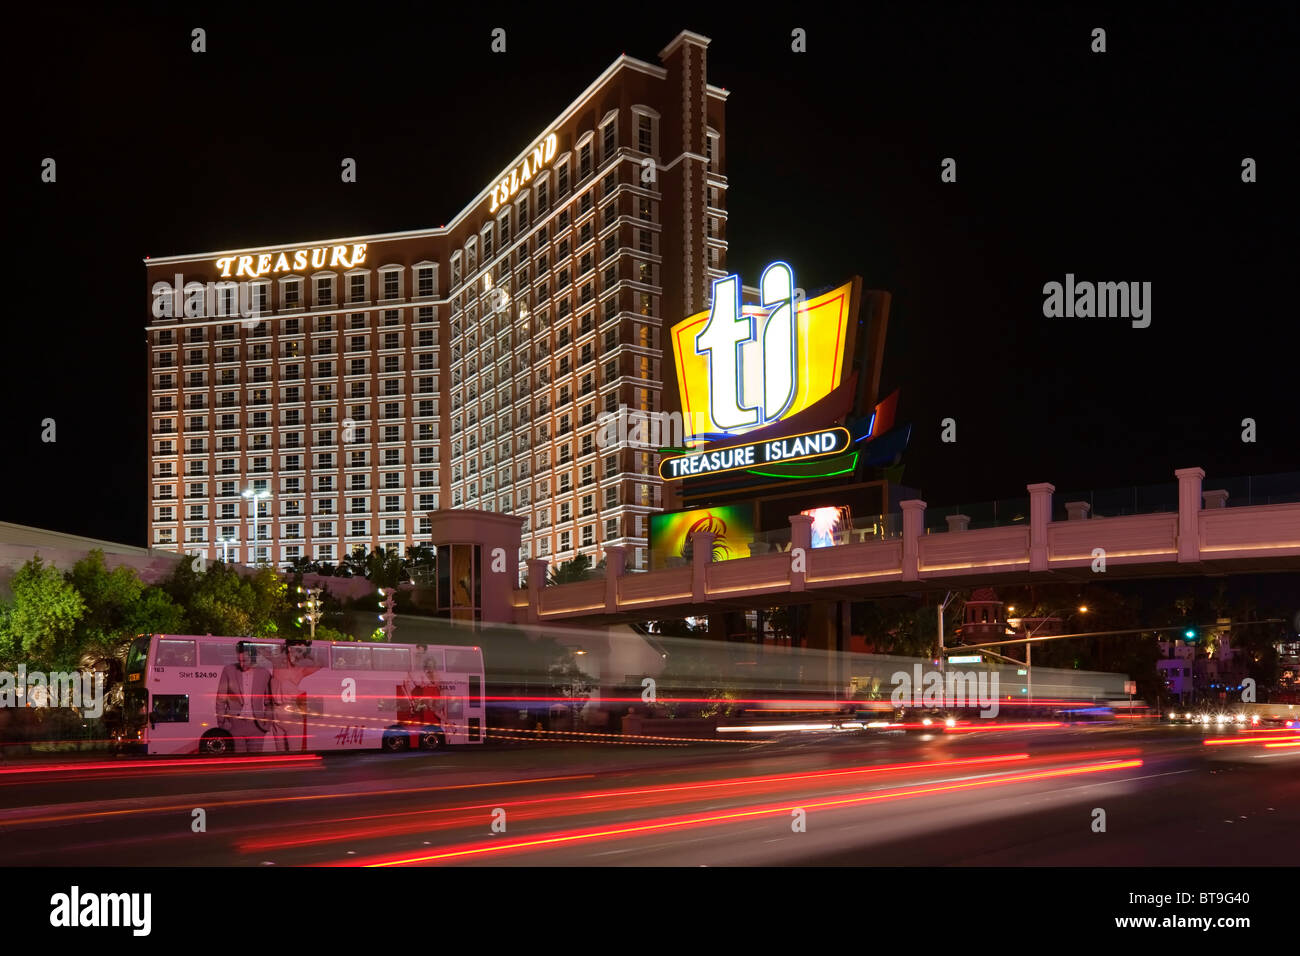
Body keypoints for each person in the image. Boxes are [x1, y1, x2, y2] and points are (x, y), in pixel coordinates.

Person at [216, 642, 272, 752]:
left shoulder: (264, 673)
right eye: (239, 661)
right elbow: (220, 699)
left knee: (255, 763)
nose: (242, 664)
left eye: (245, 661)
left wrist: (267, 724)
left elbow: (269, 701)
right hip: (234, 725)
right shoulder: (228, 670)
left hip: (257, 726)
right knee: (238, 762)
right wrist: (222, 722)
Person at [269, 641, 324, 752]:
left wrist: (306, 651)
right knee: (279, 753)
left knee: (295, 752)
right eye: (297, 650)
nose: (299, 656)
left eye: (302, 653)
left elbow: (321, 662)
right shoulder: (278, 662)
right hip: (276, 714)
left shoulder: (301, 670)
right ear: (289, 649)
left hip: (292, 713)